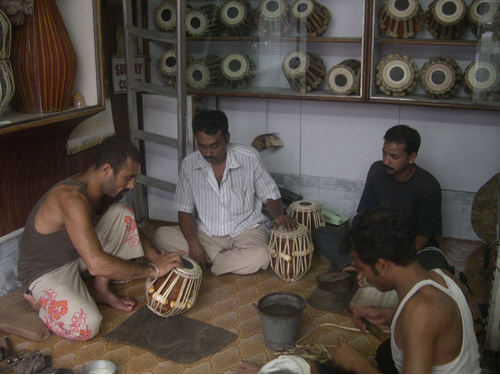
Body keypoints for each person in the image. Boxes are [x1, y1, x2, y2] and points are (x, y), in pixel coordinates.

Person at [17, 136, 184, 340]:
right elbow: (96, 264)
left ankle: (99, 290)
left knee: (123, 214)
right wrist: (153, 270)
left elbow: (128, 227)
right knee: (88, 326)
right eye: (128, 178)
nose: (131, 185)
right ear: (106, 170)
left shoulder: (101, 190)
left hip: (75, 255)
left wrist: (157, 258)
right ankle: (38, 304)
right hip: (45, 271)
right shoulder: (71, 198)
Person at [327, 208, 481, 374]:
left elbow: (423, 319)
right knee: (386, 352)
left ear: (382, 265)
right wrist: (389, 315)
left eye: (363, 268)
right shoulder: (444, 277)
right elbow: (439, 330)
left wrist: (360, 366)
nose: (363, 276)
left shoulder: (419, 312)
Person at [154, 109, 296, 276]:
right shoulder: (189, 165)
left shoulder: (249, 157)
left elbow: (270, 194)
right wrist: (193, 242)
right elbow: (184, 210)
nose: (208, 153)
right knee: (160, 235)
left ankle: (208, 260)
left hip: (246, 230)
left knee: (262, 256)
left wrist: (279, 214)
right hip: (206, 233)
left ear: (227, 138)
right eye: (202, 146)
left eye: (214, 146)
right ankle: (221, 260)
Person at [312, 124, 453, 274]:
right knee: (321, 234)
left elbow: (423, 238)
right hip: (377, 242)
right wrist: (366, 245)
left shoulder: (428, 185)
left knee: (437, 268)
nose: (386, 161)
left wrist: (395, 259)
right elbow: (365, 216)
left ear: (411, 157)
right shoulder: (377, 171)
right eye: (384, 154)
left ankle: (371, 270)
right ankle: (368, 268)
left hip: (408, 247)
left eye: (394, 157)